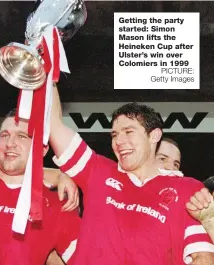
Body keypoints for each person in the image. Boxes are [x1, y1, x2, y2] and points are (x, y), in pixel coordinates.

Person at [49, 85, 214, 265]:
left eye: (128, 132)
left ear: (154, 135)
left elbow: (203, 257)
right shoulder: (97, 171)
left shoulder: (187, 188)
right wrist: (46, 77)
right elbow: (54, 126)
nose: (119, 141)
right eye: (114, 135)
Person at [0, 110, 80, 265]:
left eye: (22, 136)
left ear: (43, 149)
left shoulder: (57, 206)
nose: (10, 143)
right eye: (4, 135)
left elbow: (91, 256)